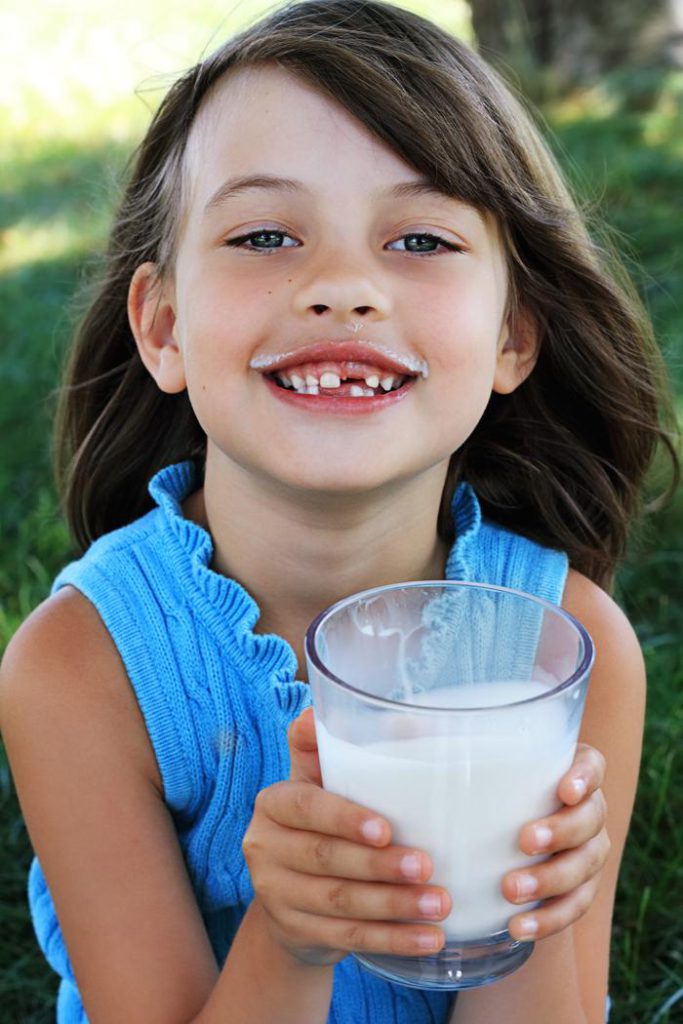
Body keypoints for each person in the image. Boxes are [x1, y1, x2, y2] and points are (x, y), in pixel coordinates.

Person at [0, 1, 677, 1022]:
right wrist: (294, 933)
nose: (343, 286)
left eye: (418, 236)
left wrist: (534, 908)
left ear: (512, 336)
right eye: (265, 233)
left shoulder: (572, 651)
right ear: (165, 326)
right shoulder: (84, 667)